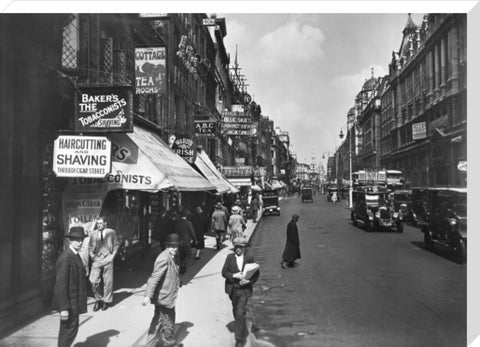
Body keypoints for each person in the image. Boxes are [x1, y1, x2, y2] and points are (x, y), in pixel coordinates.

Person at [143, 233, 182, 347]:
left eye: (176, 246)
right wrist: (148, 295)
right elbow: (154, 278)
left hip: (168, 295)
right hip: (164, 296)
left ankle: (150, 344)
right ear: (167, 246)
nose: (175, 249)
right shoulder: (163, 258)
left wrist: (179, 281)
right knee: (167, 321)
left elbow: (173, 272)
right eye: (172, 246)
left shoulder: (172, 256)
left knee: (158, 321)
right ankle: (169, 343)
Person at [51, 226, 88, 347]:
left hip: (73, 303)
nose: (80, 242)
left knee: (69, 332)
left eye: (81, 239)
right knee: (67, 334)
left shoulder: (74, 255)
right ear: (69, 240)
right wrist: (63, 308)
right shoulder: (66, 257)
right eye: (76, 239)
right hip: (69, 305)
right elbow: (60, 285)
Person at [222, 236, 260, 347]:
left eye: (240, 247)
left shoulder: (249, 258)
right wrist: (234, 275)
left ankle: (239, 339)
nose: (238, 249)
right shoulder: (229, 257)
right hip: (233, 290)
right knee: (236, 311)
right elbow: (224, 272)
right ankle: (241, 324)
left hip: (244, 291)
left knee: (239, 312)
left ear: (245, 248)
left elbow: (256, 273)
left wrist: (248, 282)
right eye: (236, 247)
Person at [89, 215, 120, 311]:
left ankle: (106, 301)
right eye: (97, 224)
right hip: (97, 259)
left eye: (100, 223)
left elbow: (116, 245)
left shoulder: (111, 232)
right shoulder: (93, 234)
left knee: (108, 282)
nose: (98, 225)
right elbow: (90, 247)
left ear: (105, 224)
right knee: (93, 281)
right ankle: (98, 299)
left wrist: (112, 257)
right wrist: (92, 256)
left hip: (108, 258)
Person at [174, 209, 197, 275]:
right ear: (186, 216)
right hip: (187, 242)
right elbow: (192, 233)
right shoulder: (188, 223)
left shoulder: (178, 223)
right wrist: (195, 240)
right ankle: (183, 266)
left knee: (182, 256)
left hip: (180, 242)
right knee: (188, 255)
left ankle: (182, 270)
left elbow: (176, 232)